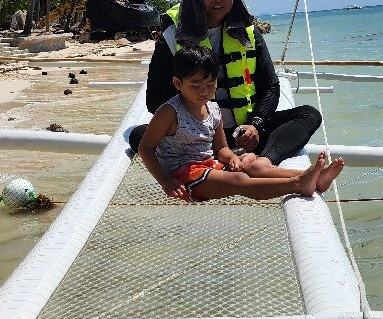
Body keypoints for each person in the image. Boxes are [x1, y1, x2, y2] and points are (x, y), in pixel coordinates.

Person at [130, 0, 322, 165]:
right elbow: (155, 99)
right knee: (138, 136)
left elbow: (271, 86)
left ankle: (262, 162)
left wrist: (255, 124)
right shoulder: (172, 37)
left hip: (244, 133)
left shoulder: (248, 33)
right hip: (196, 137)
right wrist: (196, 128)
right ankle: (216, 160)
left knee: (308, 115)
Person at [138, 45, 343, 202]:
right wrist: (165, 180)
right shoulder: (169, 112)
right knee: (239, 181)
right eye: (195, 85)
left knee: (252, 168)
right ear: (177, 83)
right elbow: (146, 148)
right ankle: (298, 184)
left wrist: (233, 159)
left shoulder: (214, 109)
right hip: (183, 176)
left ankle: (316, 178)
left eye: (210, 84)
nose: (203, 91)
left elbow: (221, 149)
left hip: (210, 166)